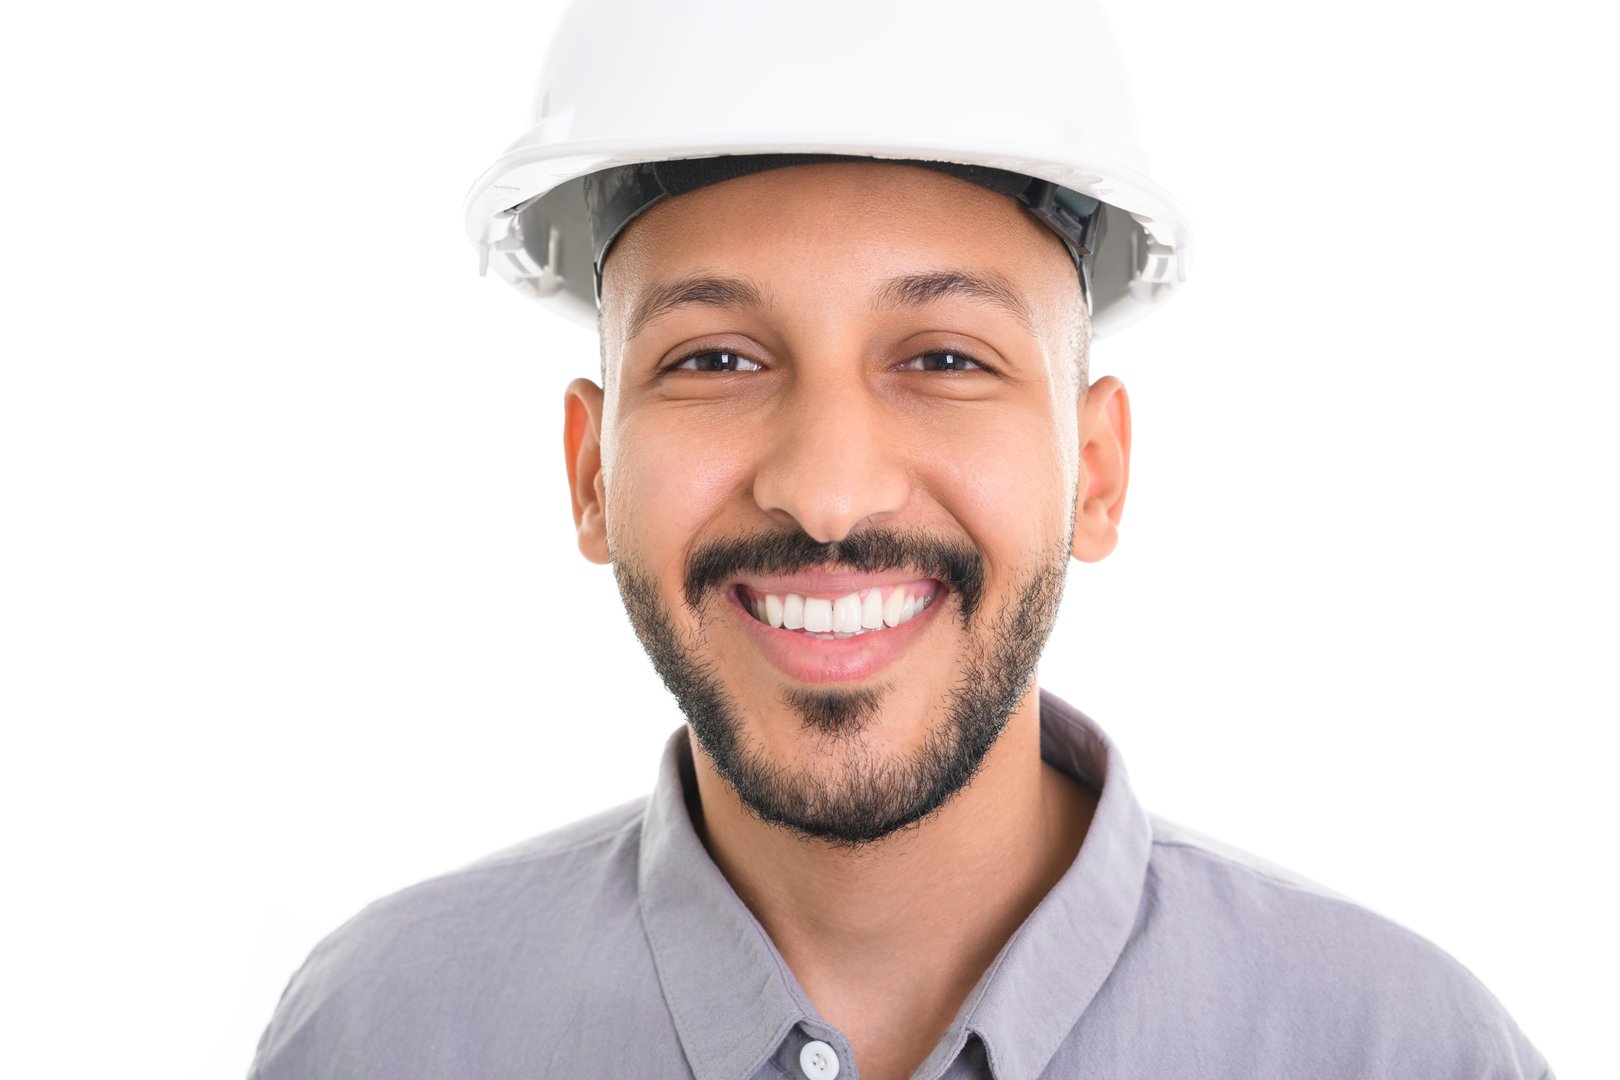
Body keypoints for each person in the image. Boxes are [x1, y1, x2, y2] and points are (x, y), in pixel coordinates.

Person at [250, 2, 1552, 1077]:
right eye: (715, 358)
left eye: (943, 358)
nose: (829, 495)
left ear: (1096, 472)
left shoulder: (1396, 1048)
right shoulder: (384, 1035)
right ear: (590, 472)